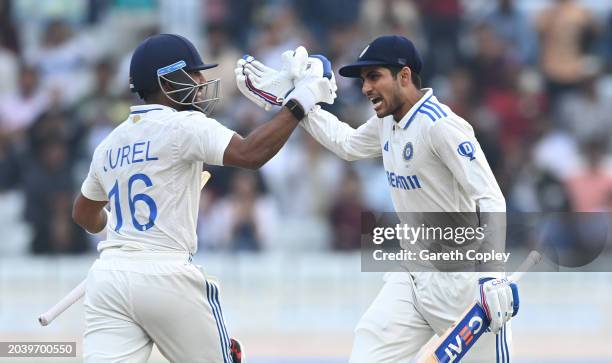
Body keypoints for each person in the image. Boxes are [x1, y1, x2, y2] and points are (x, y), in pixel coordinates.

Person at [236, 35, 519, 362]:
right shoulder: (388, 121)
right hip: (412, 276)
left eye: (374, 77)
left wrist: (490, 275)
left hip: (461, 284)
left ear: (404, 76)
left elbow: (490, 197)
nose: (366, 88)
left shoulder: (441, 126)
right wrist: (298, 103)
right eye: (364, 79)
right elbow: (348, 144)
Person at [71, 33, 335, 363]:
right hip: (166, 274)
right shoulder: (185, 125)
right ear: (166, 81)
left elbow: (83, 214)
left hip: (108, 278)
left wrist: (120, 231)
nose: (201, 81)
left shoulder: (109, 143)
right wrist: (300, 103)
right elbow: (251, 154)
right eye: (193, 73)